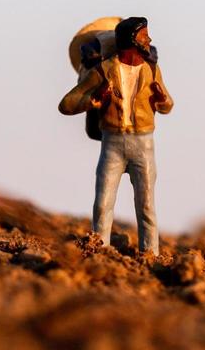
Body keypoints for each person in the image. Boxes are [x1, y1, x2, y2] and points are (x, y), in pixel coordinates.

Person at [58, 17, 173, 256]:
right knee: (103, 203)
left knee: (147, 206)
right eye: (144, 36)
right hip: (113, 143)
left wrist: (162, 99)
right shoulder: (104, 70)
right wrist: (92, 100)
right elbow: (67, 104)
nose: (149, 40)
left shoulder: (151, 70)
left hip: (143, 143)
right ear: (131, 40)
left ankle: (150, 254)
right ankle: (99, 250)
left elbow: (168, 105)